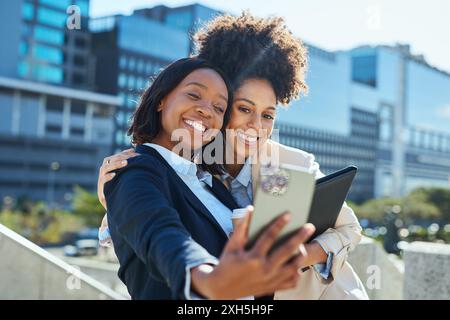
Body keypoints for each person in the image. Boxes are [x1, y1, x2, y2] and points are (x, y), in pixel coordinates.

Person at [99, 13, 368, 299]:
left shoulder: (284, 168)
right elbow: (152, 223)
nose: (256, 125)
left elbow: (349, 229)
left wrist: (291, 259)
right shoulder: (193, 167)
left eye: (267, 115)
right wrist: (110, 197)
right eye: (243, 109)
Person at [103, 56, 316, 299]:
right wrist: (206, 278)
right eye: (194, 95)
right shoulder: (134, 169)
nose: (206, 110)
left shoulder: (211, 183)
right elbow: (160, 233)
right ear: (162, 99)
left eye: (219, 108)